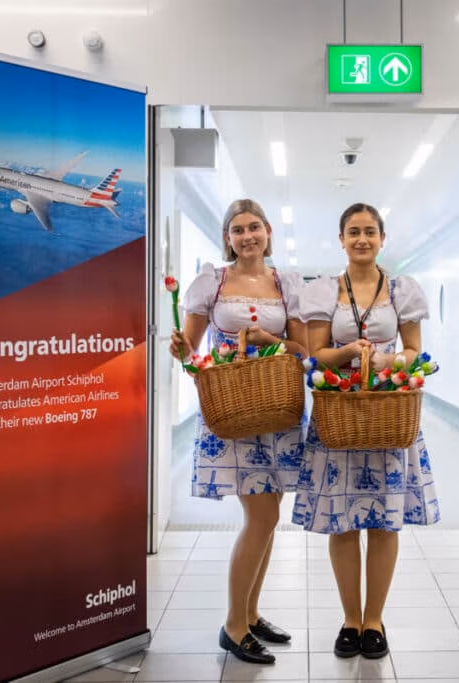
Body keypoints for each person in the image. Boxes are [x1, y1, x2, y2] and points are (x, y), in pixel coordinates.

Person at [293, 202, 440, 660]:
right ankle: (349, 619)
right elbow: (315, 353)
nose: (361, 239)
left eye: (370, 231)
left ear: (382, 238)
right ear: (341, 239)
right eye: (353, 231)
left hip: (386, 414)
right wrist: (348, 354)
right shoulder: (322, 291)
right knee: (342, 520)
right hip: (338, 414)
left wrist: (385, 360)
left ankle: (374, 619)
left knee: (382, 521)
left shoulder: (401, 290)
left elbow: (415, 350)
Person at [169, 199, 308, 665]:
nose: (247, 236)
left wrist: (271, 341)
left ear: (268, 231)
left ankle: (249, 613)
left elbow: (301, 349)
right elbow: (189, 352)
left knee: (269, 519)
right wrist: (179, 349)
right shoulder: (214, 282)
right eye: (237, 229)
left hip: (276, 409)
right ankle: (233, 625)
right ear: (227, 238)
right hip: (233, 410)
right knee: (262, 519)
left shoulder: (285, 285)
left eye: (254, 227)